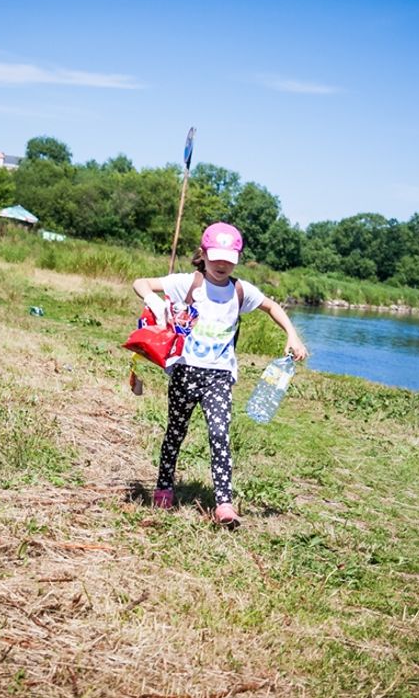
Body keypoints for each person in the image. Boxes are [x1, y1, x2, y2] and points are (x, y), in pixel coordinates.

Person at [131, 222, 308, 528]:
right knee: (175, 430)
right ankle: (163, 487)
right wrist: (155, 302)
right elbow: (141, 283)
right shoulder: (189, 283)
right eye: (216, 258)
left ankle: (224, 503)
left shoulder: (241, 290)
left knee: (219, 433)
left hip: (219, 376)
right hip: (185, 372)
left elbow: (271, 306)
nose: (222, 264)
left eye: (229, 258)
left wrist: (292, 334)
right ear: (203, 254)